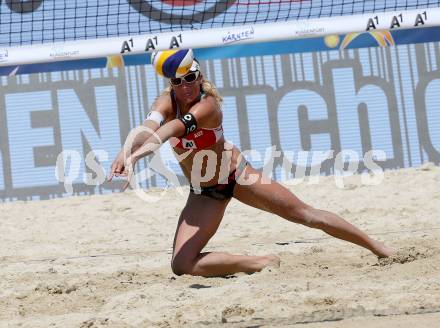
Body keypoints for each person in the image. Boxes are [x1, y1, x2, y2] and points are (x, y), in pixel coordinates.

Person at [108, 50, 393, 277]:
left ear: (199, 75)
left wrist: (135, 156)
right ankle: (260, 263)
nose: (184, 87)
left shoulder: (208, 107)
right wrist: (126, 150)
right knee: (181, 265)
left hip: (237, 176)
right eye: (177, 81)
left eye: (190, 78)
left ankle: (379, 247)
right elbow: (150, 125)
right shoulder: (167, 101)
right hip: (205, 192)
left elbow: (170, 131)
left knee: (306, 215)